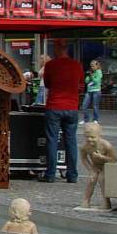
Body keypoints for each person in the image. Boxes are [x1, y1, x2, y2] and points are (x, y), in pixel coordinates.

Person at [41, 39, 84, 184]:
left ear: (58, 48)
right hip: (72, 107)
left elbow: (47, 84)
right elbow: (81, 84)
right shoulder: (77, 65)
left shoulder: (51, 65)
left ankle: (50, 174)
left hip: (55, 106)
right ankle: (72, 175)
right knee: (71, 141)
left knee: (52, 140)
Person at [79, 59, 102, 124]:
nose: (92, 67)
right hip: (89, 91)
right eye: (91, 66)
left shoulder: (99, 72)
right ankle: (86, 119)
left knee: (95, 106)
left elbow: (96, 81)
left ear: (97, 66)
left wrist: (91, 76)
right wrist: (89, 76)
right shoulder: (90, 72)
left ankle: (95, 119)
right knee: (84, 105)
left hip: (96, 91)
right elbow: (86, 81)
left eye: (93, 66)